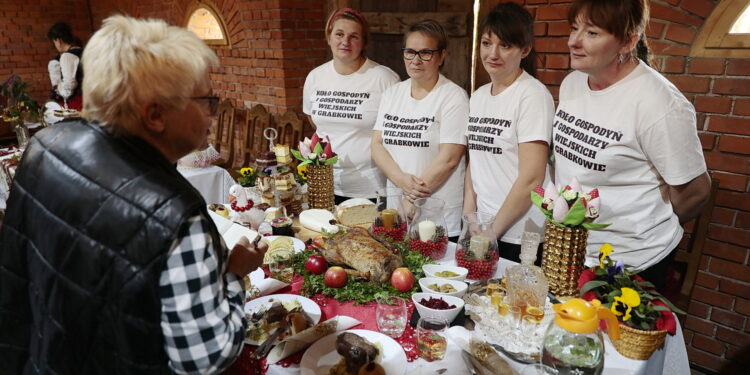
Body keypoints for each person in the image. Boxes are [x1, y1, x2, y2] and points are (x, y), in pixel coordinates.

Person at [0, 15, 267, 374]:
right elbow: (206, 357)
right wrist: (234, 274)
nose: (213, 114)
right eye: (207, 100)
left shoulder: (47, 145)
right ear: (155, 115)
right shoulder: (175, 215)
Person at [554, 0, 711, 290]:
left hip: (631, 263)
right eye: (575, 28)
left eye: (592, 33)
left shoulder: (659, 103)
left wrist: (642, 226)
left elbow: (696, 192)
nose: (573, 41)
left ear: (627, 42)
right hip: (575, 251)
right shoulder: (573, 83)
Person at [463, 2, 554, 263]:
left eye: (505, 45)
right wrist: (470, 214)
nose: (493, 53)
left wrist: (493, 231)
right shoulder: (479, 96)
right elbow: (476, 159)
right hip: (483, 227)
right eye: (486, 43)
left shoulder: (532, 95)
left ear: (524, 50)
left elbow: (532, 178)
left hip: (519, 233)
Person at [372, 20, 469, 240]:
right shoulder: (392, 94)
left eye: (425, 53)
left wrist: (411, 198)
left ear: (441, 56)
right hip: (397, 210)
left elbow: (449, 158)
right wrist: (401, 180)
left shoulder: (453, 96)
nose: (416, 60)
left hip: (437, 212)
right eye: (410, 52)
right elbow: (377, 145)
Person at [303, 8, 399, 204]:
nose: (345, 41)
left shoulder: (384, 78)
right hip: (325, 184)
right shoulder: (315, 77)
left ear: (363, 42)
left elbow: (395, 132)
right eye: (339, 34)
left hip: (371, 187)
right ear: (329, 37)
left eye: (353, 36)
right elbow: (313, 119)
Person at [47, 22, 84, 111]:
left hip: (78, 103)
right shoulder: (85, 51)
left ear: (58, 40)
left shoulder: (67, 56)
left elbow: (69, 85)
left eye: (54, 42)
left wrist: (58, 90)